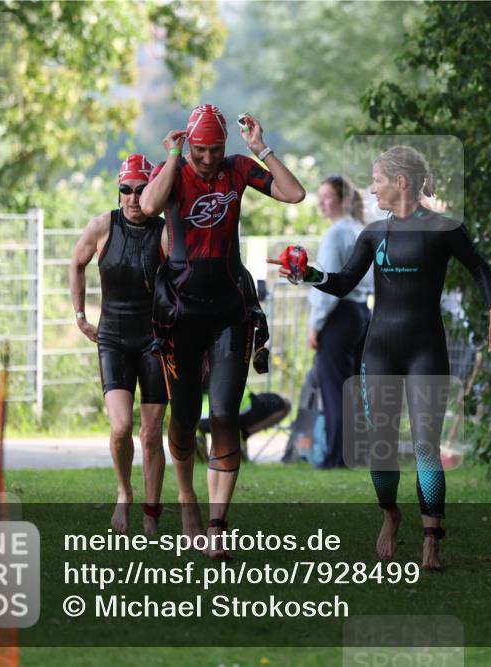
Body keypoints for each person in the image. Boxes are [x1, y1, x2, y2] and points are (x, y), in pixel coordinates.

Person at [270, 145, 491, 570]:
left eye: (378, 179)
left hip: (425, 349)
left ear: (401, 182)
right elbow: (344, 283)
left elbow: (480, 267)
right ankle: (390, 514)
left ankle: (431, 540)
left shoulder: (442, 228)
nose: (373, 188)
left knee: (424, 445)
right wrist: (306, 274)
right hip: (379, 349)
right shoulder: (372, 233)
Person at [139, 104, 305, 558]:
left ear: (225, 147)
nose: (207, 158)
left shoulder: (237, 170)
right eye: (200, 150)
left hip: (230, 311)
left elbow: (294, 194)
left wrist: (262, 149)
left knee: (227, 413)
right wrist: (174, 157)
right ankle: (187, 497)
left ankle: (217, 526)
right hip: (180, 313)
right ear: (188, 144)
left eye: (214, 150)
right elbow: (151, 206)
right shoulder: (172, 171)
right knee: (186, 416)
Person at [68, 154, 167, 535]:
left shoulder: (163, 231)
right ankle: (124, 492)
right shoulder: (102, 226)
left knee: (151, 433)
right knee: (122, 427)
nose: (132, 197)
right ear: (119, 190)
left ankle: (151, 512)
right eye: (126, 189)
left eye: (141, 190)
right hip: (112, 337)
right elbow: (76, 263)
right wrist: (80, 316)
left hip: (154, 339)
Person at [308, 176, 373, 469]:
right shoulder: (360, 230)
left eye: (327, 196)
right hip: (362, 312)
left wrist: (315, 324)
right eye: (319, 196)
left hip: (340, 314)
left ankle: (336, 456)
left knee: (335, 389)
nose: (322, 202)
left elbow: (329, 284)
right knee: (354, 388)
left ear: (344, 200)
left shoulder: (336, 234)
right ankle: (355, 453)